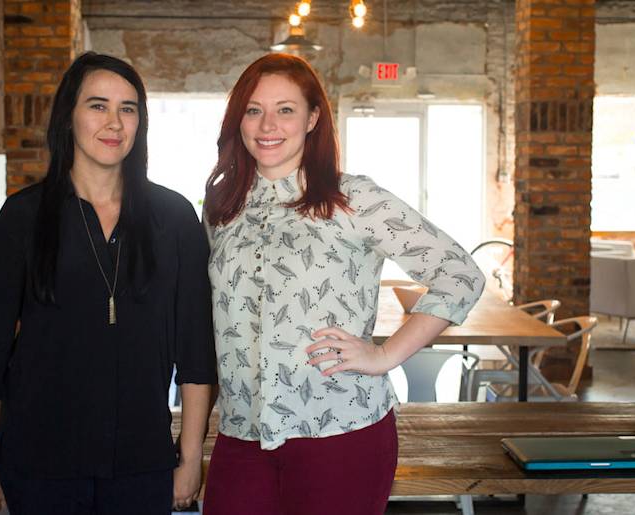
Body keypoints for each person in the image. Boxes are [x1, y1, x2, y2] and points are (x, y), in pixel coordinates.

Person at [201, 53, 485, 515]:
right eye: (254, 110)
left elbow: (460, 274)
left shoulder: (354, 199)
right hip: (242, 433)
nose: (267, 124)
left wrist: (385, 354)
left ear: (313, 118)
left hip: (340, 432)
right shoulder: (221, 207)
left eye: (286, 109)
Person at [0, 52, 217, 515]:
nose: (114, 122)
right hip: (39, 463)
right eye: (97, 105)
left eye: (128, 108)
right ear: (68, 117)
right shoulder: (22, 217)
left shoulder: (174, 218)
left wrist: (189, 455)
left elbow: (196, 354)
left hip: (142, 462)